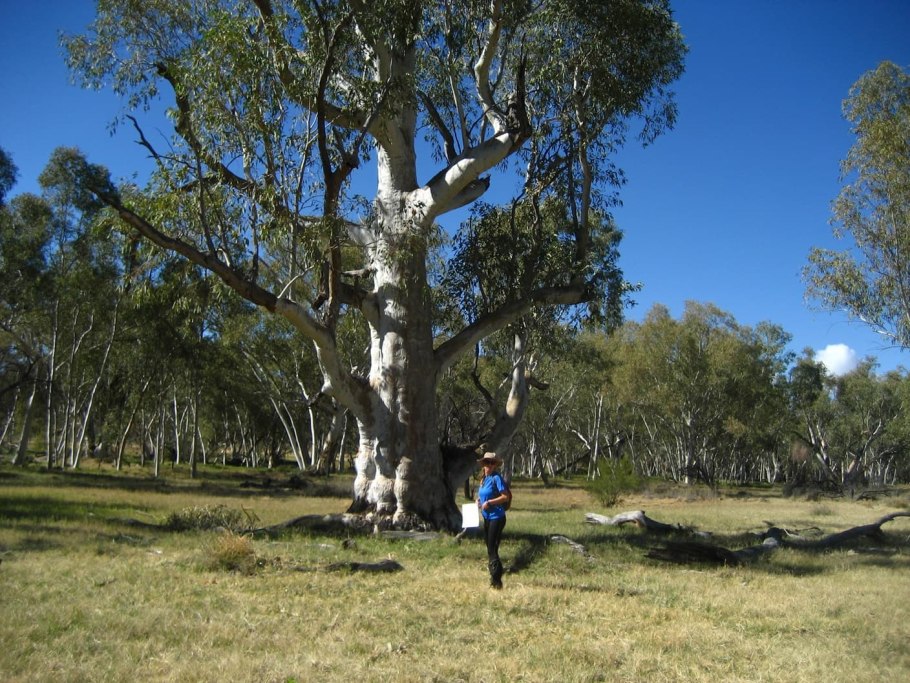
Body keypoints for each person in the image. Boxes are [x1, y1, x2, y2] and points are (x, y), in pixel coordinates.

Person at [476, 452, 511, 589]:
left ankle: (497, 581)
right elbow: (483, 495)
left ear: (495, 465)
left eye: (492, 463)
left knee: (492, 548)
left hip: (497, 517)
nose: (489, 466)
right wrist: (479, 501)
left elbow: (505, 497)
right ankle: (494, 577)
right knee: (491, 547)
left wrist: (489, 503)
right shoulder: (483, 479)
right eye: (486, 463)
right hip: (487, 517)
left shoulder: (497, 478)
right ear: (483, 464)